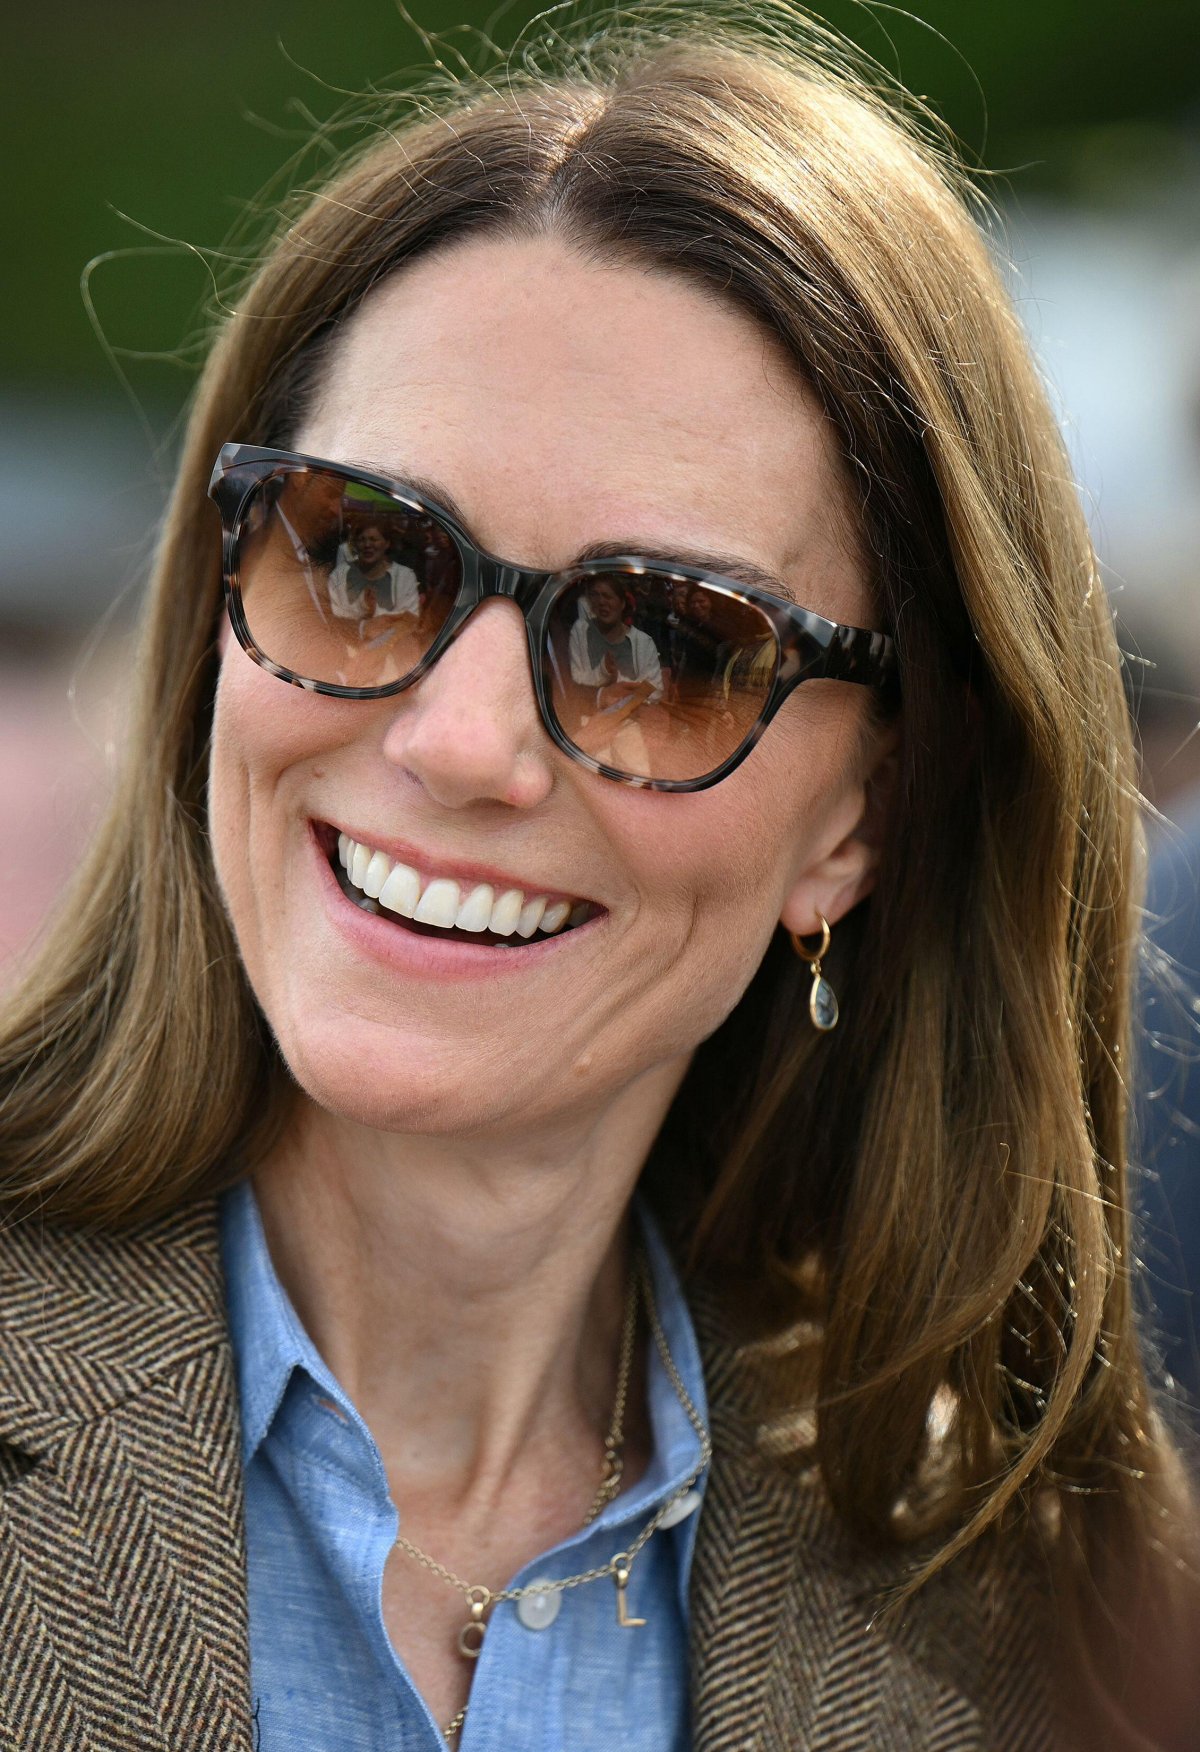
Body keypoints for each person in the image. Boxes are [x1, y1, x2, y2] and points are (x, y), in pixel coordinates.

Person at [1, 8, 1196, 1750]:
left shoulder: (1037, 1627)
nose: (462, 740)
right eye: (362, 554)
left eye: (660, 641)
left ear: (864, 819)